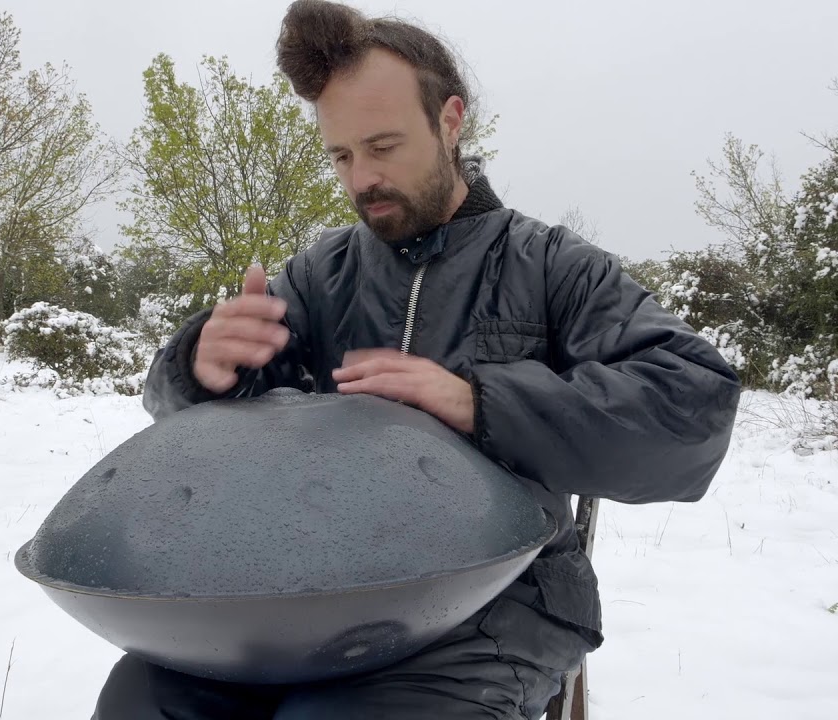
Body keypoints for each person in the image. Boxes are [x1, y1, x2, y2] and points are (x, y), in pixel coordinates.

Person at [92, 1, 741, 717]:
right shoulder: (320, 275)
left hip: (498, 603)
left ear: (451, 121)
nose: (360, 177)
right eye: (341, 155)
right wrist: (200, 368)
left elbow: (694, 409)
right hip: (311, 591)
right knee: (141, 698)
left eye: (383, 145)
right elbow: (200, 417)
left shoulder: (554, 267)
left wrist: (478, 403)